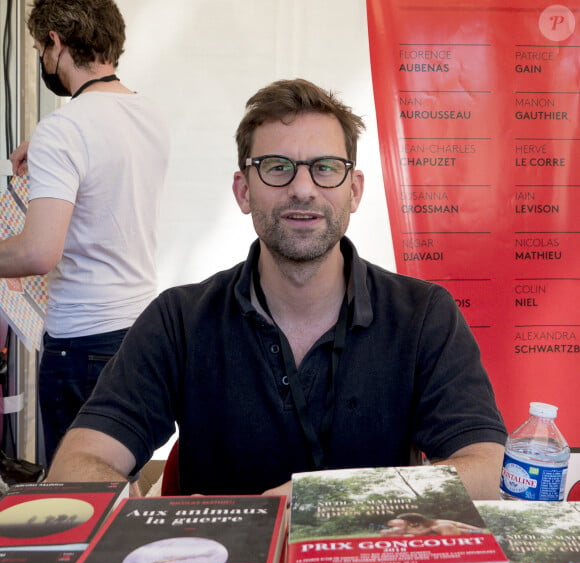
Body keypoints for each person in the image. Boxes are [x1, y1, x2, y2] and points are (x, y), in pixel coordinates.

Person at [46, 78, 506, 499]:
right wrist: (151, 520)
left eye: (325, 168)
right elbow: (79, 462)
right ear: (244, 191)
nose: (303, 189)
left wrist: (327, 502)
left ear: (355, 190)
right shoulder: (179, 319)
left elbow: (485, 469)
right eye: (277, 167)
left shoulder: (423, 315)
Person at [0, 0, 170, 464]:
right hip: (138, 331)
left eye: (39, 48)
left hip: (80, 346)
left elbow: (37, 253)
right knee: (120, 477)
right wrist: (49, 150)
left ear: (55, 42)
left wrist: (54, 144)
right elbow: (107, 164)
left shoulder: (66, 128)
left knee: (77, 497)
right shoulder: (149, 114)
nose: (42, 61)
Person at [380, 512, 486, 537]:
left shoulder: (436, 523)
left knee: (445, 526)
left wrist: (480, 531)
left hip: (468, 534)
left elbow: (459, 525)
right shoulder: (404, 529)